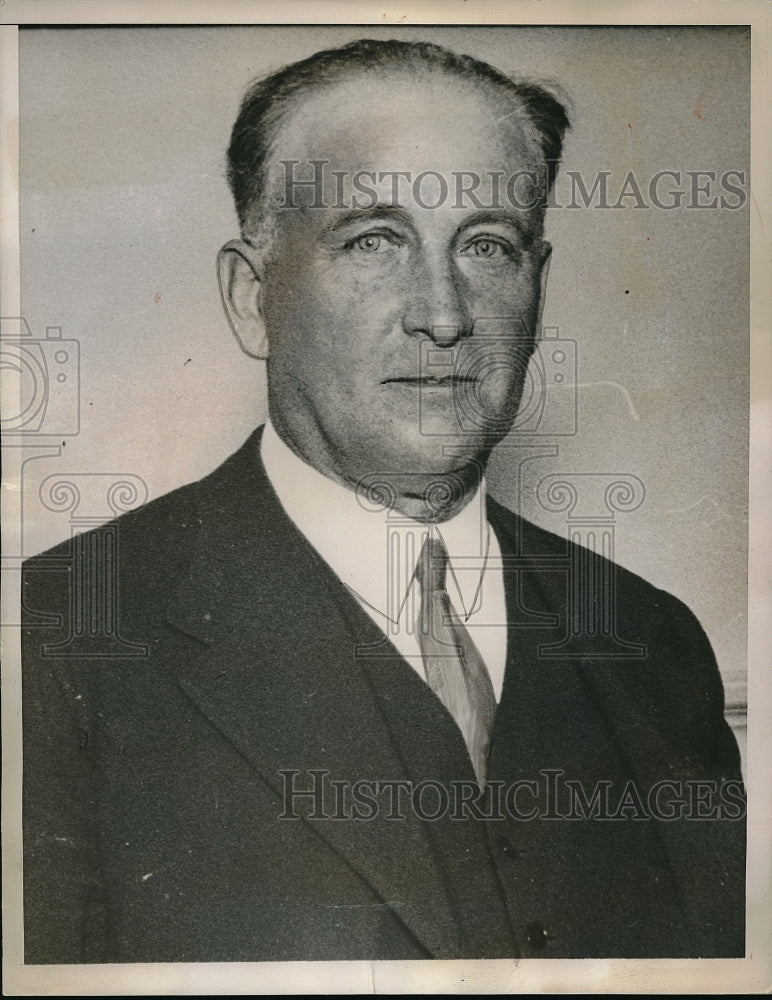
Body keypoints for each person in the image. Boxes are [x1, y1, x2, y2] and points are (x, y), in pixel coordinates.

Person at [21, 38, 745, 964]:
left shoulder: (655, 646)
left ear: (538, 286)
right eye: (374, 241)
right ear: (252, 298)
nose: (443, 314)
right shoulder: (56, 640)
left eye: (487, 245)